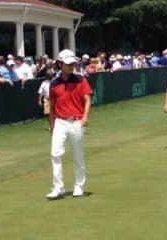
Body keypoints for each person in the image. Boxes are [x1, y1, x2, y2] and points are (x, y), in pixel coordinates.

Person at [46, 49, 92, 200]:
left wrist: (85, 117)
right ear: (60, 64)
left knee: (78, 155)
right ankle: (58, 188)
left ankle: (79, 186)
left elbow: (87, 100)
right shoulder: (53, 84)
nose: (71, 66)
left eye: (72, 63)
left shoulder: (81, 80)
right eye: (67, 64)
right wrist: (52, 126)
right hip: (60, 121)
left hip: (77, 121)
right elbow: (52, 106)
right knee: (55, 153)